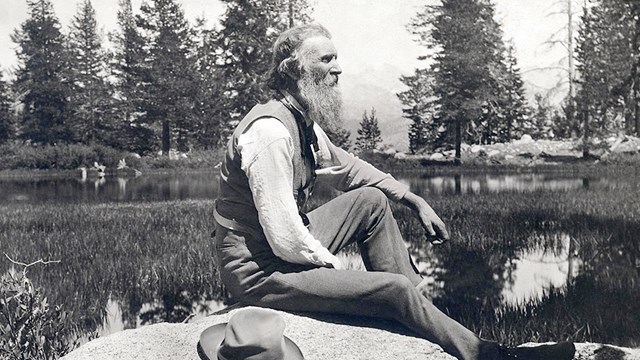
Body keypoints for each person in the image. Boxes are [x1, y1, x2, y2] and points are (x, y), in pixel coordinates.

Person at [212, 23, 575, 360]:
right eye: (326, 60)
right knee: (391, 289)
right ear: (294, 70)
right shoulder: (270, 133)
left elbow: (350, 170)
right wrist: (337, 273)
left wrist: (413, 199)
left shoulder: (300, 120)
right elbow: (285, 237)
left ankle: (418, 309)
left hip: (279, 247)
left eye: (337, 58)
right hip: (259, 270)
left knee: (371, 201)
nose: (338, 69)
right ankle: (490, 355)